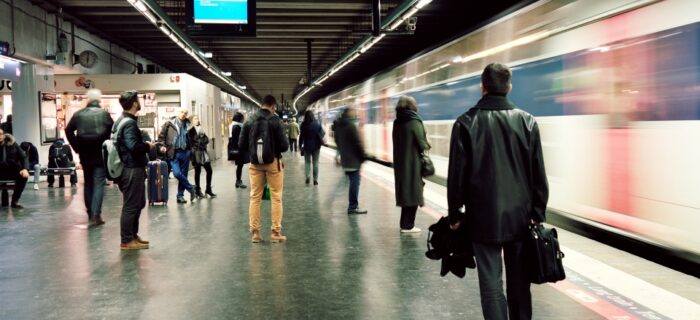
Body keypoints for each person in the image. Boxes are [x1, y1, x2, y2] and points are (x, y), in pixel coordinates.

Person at [447, 63, 549, 320]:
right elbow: (538, 173)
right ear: (509, 87)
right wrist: (538, 211)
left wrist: (455, 213)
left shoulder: (465, 123)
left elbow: (456, 174)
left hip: (482, 218)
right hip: (520, 218)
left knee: (491, 285)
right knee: (519, 282)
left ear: (482, 88)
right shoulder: (527, 121)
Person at [238, 95, 289, 243]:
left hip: (255, 164)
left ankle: (255, 233)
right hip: (273, 162)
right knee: (276, 196)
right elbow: (285, 146)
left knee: (255, 197)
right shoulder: (276, 121)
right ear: (273, 106)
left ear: (262, 105)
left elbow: (241, 145)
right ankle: (275, 232)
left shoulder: (249, 120)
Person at [65, 88, 114, 225]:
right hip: (100, 153)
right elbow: (112, 131)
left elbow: (68, 130)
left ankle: (89, 213)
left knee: (88, 183)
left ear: (88, 99)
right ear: (99, 100)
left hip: (85, 154)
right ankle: (96, 214)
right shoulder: (104, 114)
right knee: (99, 182)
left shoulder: (78, 114)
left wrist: (77, 147)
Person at [115, 90, 155, 250]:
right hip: (131, 168)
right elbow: (133, 146)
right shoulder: (129, 123)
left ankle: (133, 236)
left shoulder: (122, 120)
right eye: (138, 100)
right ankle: (126, 240)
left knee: (138, 203)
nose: (140, 102)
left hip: (130, 167)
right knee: (131, 205)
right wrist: (148, 145)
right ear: (134, 103)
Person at [392, 96, 430, 233]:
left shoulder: (397, 122)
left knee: (406, 193)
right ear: (412, 106)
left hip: (401, 163)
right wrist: (427, 143)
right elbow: (422, 143)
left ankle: (405, 223)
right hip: (413, 163)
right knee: (414, 192)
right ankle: (408, 225)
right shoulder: (414, 121)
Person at [158, 107, 196, 204]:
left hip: (185, 152)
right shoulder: (169, 124)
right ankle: (191, 188)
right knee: (177, 173)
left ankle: (180, 196)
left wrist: (191, 150)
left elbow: (195, 139)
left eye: (185, 113)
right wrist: (162, 146)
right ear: (177, 112)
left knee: (184, 174)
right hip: (173, 152)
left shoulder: (189, 125)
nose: (183, 114)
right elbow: (161, 137)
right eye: (182, 112)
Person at [334, 107, 367, 214]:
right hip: (353, 159)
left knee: (352, 182)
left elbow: (337, 141)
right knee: (355, 183)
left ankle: (353, 206)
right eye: (354, 112)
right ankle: (353, 206)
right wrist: (363, 156)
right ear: (349, 113)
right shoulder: (351, 126)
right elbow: (357, 143)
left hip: (345, 158)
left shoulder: (339, 126)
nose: (355, 113)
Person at [188, 114, 216, 198]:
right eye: (195, 119)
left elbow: (206, 139)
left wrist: (202, 141)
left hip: (203, 153)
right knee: (197, 171)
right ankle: (197, 190)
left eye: (197, 118)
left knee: (209, 170)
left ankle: (208, 188)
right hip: (196, 153)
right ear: (191, 121)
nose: (197, 120)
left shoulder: (201, 128)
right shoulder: (190, 130)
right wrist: (199, 142)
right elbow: (191, 142)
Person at [0, 128, 29, 209]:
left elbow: (23, 157)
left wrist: (25, 169)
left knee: (23, 177)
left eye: (0, 134)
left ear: (4, 135)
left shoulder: (13, 144)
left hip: (12, 170)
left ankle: (15, 201)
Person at [299, 110, 325, 185]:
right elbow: (322, 133)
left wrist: (300, 145)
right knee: (315, 162)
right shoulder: (317, 123)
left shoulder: (303, 125)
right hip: (316, 146)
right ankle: (315, 179)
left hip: (307, 146)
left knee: (307, 162)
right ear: (313, 115)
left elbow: (301, 136)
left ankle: (307, 177)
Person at [229, 112, 249, 189]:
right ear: (239, 119)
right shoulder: (236, 127)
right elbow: (236, 139)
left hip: (239, 148)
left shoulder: (236, 126)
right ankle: (238, 181)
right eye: (242, 118)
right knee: (240, 165)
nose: (243, 119)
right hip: (239, 149)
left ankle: (238, 181)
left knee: (240, 165)